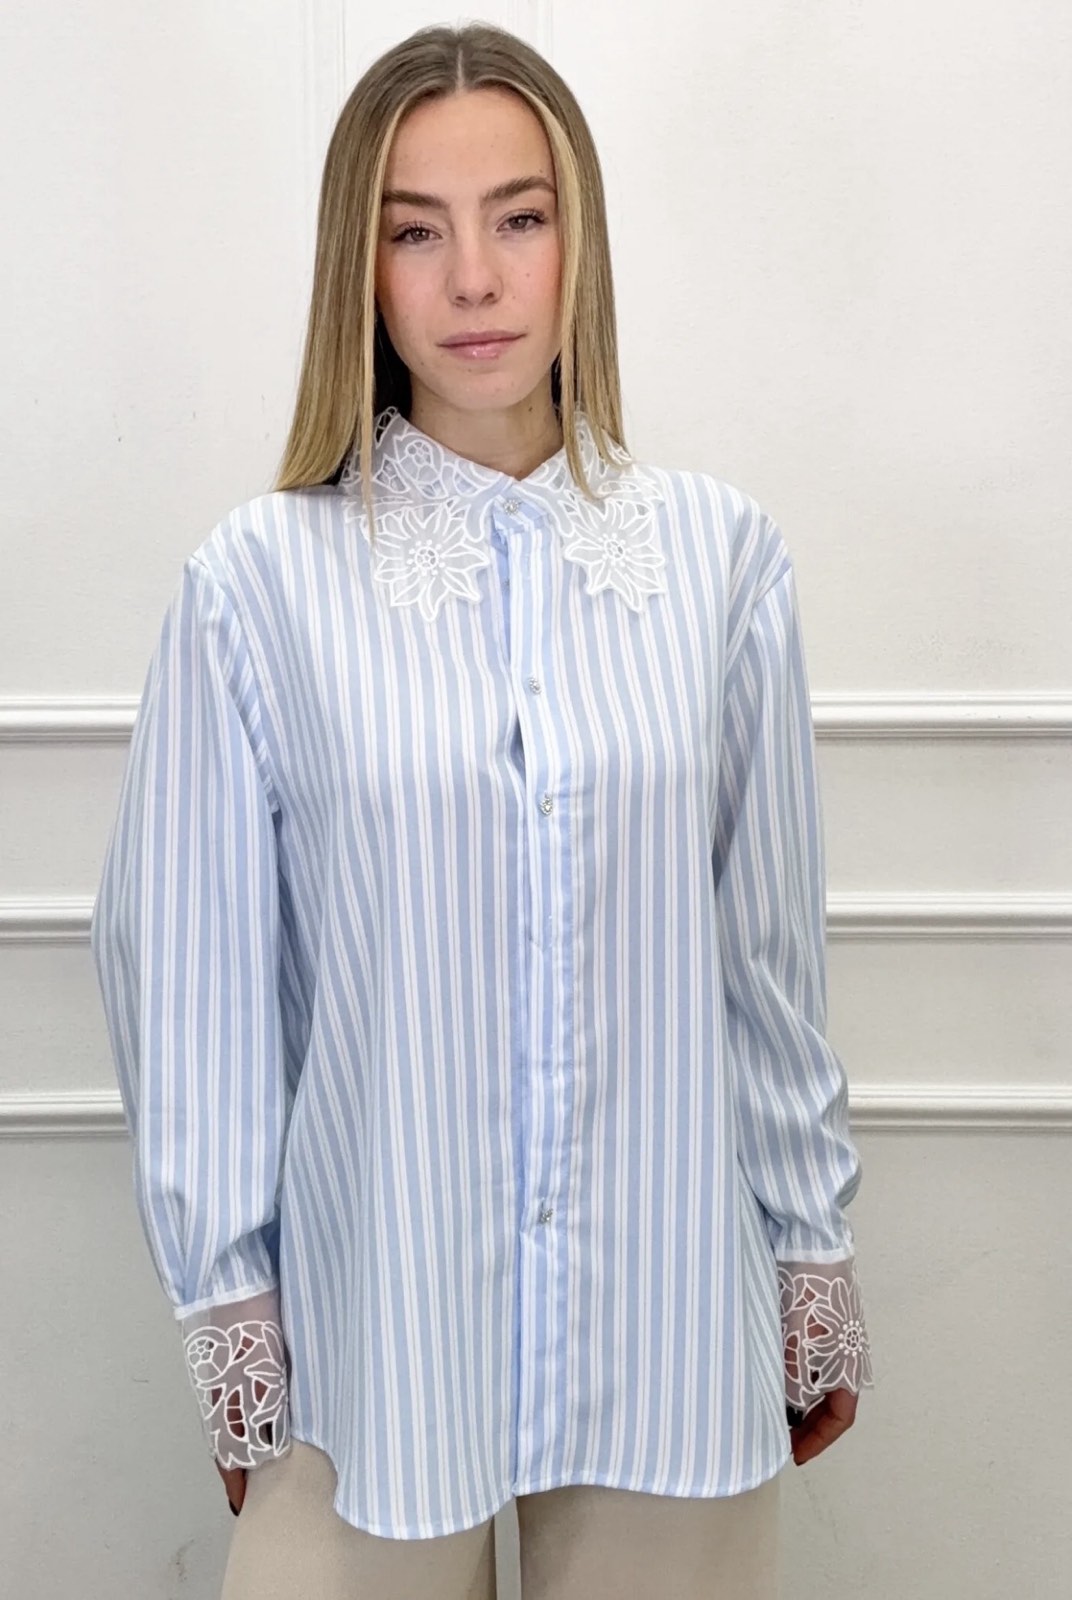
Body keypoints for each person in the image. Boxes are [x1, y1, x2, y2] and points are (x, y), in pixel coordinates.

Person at [89, 21, 874, 1600]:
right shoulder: (258, 585)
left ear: (580, 241)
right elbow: (190, 975)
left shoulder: (722, 561)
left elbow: (765, 961)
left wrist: (812, 1253)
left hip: (670, 1327)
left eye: (520, 218)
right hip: (369, 1340)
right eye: (415, 232)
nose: (474, 281)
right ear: (360, 269)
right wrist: (230, 1304)